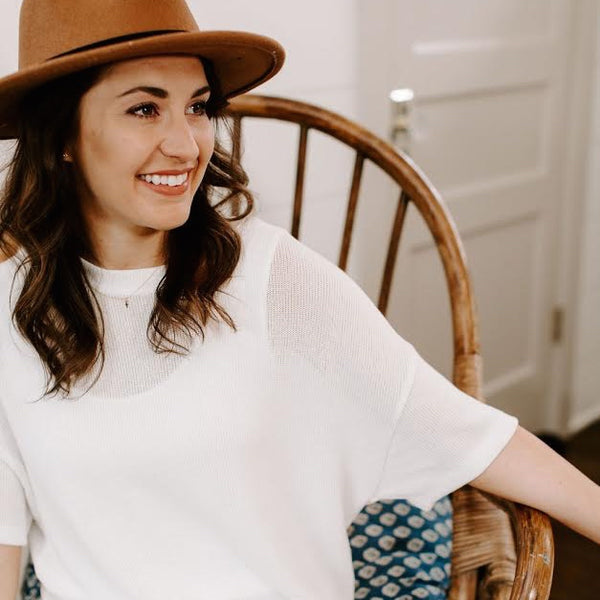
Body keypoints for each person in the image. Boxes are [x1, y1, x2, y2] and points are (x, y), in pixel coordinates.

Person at [0, 1, 598, 599]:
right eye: (144, 108)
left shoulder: (273, 280)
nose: (186, 145)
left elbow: (466, 434)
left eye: (199, 107)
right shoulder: (9, 305)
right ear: (62, 138)